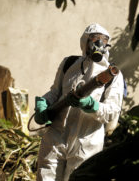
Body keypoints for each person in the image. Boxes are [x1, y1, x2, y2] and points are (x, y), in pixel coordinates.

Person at [34, 23, 125, 181]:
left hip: (86, 142)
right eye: (94, 39)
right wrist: (44, 103)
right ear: (85, 41)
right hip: (55, 136)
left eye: (103, 40)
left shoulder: (112, 75)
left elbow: (113, 111)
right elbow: (55, 91)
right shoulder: (69, 63)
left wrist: (91, 105)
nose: (98, 44)